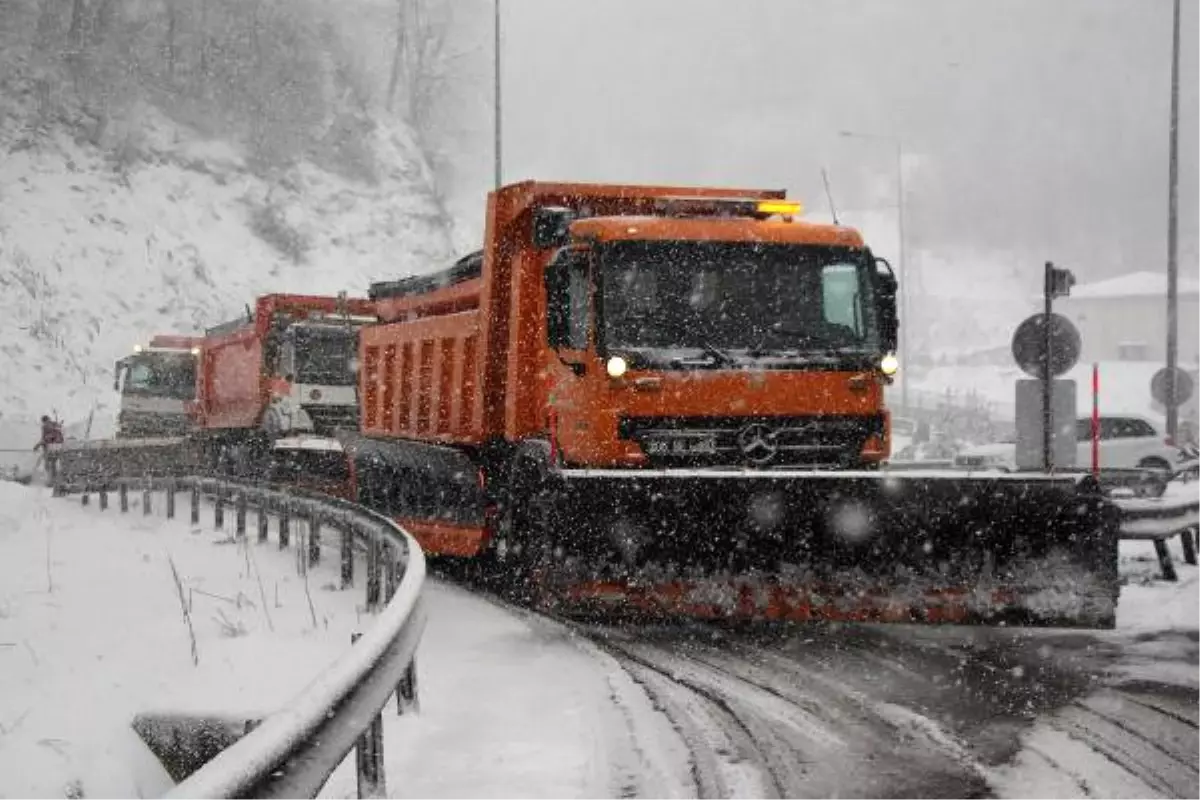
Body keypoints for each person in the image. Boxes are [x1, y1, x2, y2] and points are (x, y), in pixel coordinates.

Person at [33, 415, 64, 485]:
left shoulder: (46, 427)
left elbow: (45, 439)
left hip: (50, 448)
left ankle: (52, 480)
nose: (44, 423)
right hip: (58, 448)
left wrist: (38, 445)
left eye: (44, 422)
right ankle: (54, 480)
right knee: (53, 465)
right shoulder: (55, 426)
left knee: (49, 465)